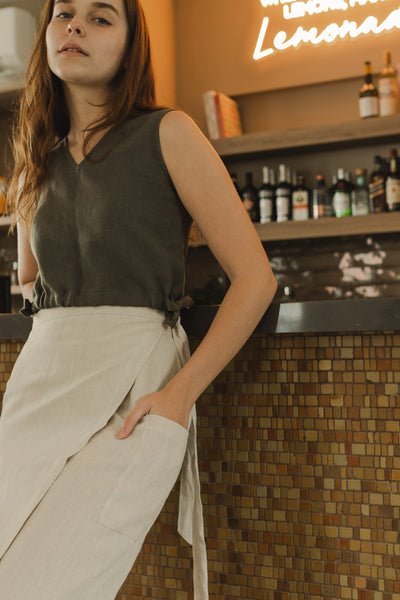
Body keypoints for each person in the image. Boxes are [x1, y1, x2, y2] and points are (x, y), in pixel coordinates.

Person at [0, 0, 277, 599]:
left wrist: (179, 393)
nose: (75, 26)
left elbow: (256, 279)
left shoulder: (169, 131)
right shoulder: (33, 159)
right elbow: (29, 280)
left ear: (131, 46)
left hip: (138, 387)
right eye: (63, 13)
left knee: (53, 583)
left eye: (101, 17)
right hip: (41, 388)